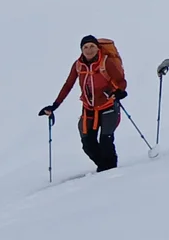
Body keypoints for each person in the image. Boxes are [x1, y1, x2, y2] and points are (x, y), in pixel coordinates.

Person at [39, 35, 128, 172]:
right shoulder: (78, 65)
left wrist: (119, 92)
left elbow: (121, 81)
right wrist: (55, 105)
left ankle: (111, 172)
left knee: (106, 141)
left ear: (97, 48)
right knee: (88, 143)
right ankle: (105, 168)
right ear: (81, 49)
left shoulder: (106, 62)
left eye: (92, 46)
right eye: (85, 47)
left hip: (108, 106)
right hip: (89, 109)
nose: (89, 50)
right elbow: (68, 85)